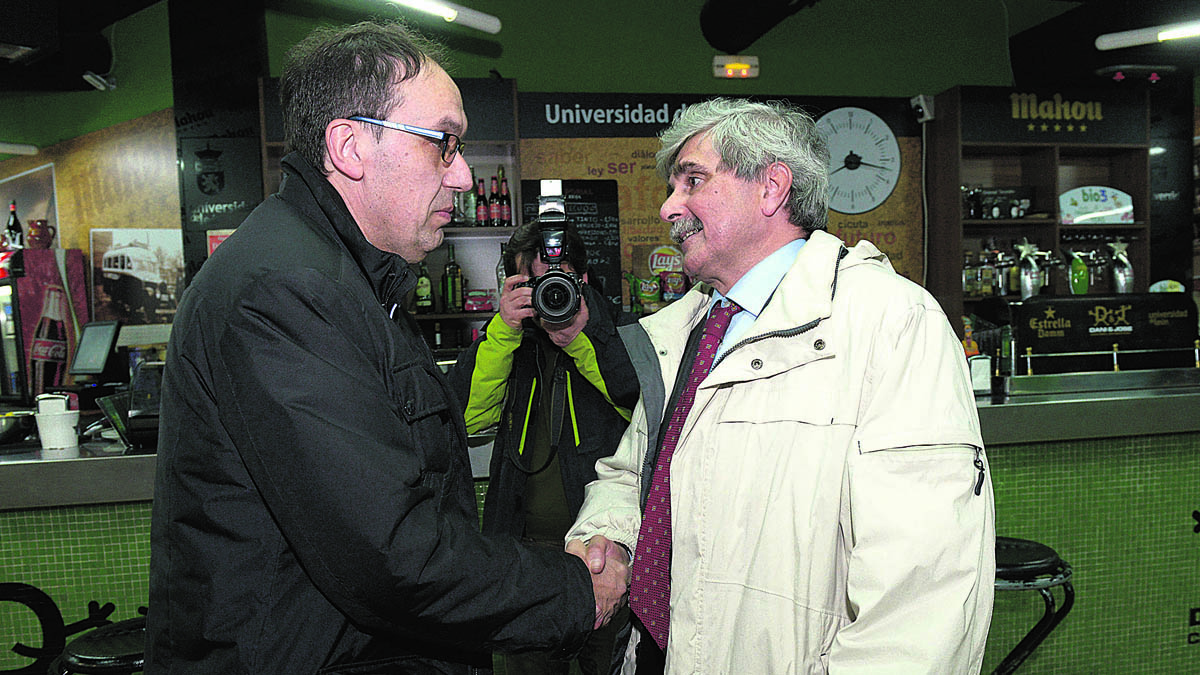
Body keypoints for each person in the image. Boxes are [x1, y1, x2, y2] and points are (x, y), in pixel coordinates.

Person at [146, 21, 627, 674]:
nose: (462, 175)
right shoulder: (288, 289)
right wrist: (572, 589)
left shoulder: (347, 277)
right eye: (444, 144)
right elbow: (394, 556)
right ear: (350, 146)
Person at [566, 98, 995, 673]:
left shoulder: (889, 320)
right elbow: (637, 469)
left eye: (693, 180)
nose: (670, 207)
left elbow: (923, 594)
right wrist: (609, 539)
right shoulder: (685, 330)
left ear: (771, 187)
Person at [448, 219, 640, 674]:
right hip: (524, 557)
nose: (549, 293)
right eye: (532, 284)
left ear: (584, 280)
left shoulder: (624, 335)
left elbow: (641, 404)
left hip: (603, 553)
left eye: (559, 280)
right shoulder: (508, 343)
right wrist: (504, 331)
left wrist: (579, 339)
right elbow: (467, 418)